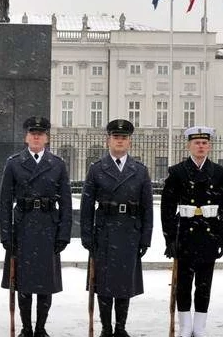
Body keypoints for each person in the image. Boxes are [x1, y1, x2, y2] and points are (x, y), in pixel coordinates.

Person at [0, 116, 73, 337]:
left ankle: (40, 328)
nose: (36, 137)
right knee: (23, 282)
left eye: (40, 134)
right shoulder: (14, 163)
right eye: (33, 134)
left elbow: (66, 203)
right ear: (26, 137)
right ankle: (26, 328)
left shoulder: (57, 164)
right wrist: (5, 234)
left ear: (47, 138)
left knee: (44, 283)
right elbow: (4, 202)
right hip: (23, 228)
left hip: (48, 228)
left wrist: (64, 234)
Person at [81, 118, 153, 337]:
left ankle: (120, 328)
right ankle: (106, 328)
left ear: (129, 142)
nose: (120, 141)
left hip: (129, 232)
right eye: (116, 137)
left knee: (124, 283)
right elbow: (86, 205)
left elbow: (147, 208)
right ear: (108, 141)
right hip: (104, 232)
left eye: (124, 138)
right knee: (103, 284)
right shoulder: (96, 169)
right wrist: (86, 235)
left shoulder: (139, 170)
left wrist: (145, 238)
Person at [160, 126, 223, 337]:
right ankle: (185, 325)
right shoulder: (177, 172)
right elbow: (167, 208)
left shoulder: (218, 173)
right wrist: (169, 238)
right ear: (189, 145)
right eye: (196, 143)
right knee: (183, 283)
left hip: (209, 234)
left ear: (209, 146)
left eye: (204, 143)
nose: (200, 146)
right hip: (185, 234)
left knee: (204, 283)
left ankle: (199, 326)